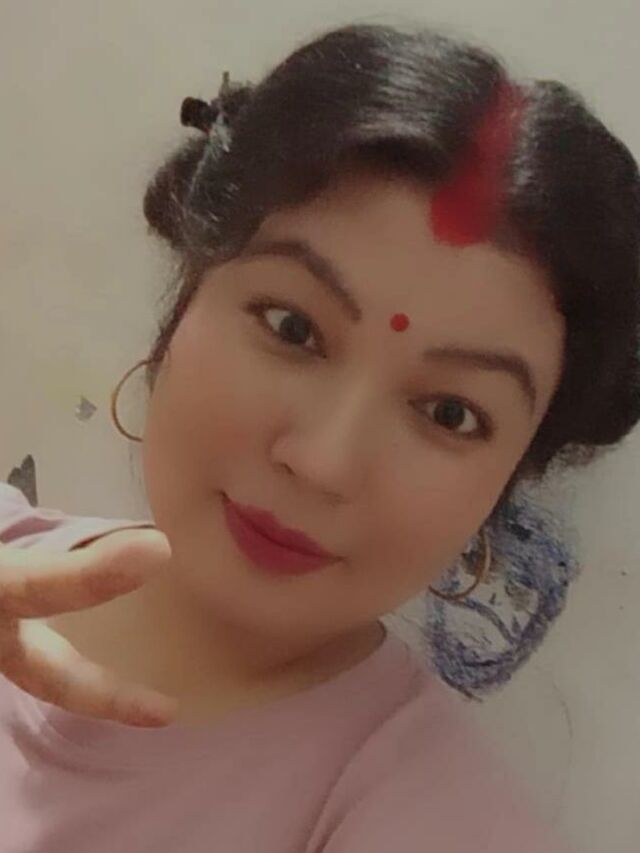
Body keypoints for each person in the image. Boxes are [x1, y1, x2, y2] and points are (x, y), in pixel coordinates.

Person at [1, 19, 638, 853]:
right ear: (189, 293)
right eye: (292, 326)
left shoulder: (430, 822)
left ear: (510, 476)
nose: (322, 461)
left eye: (450, 412)